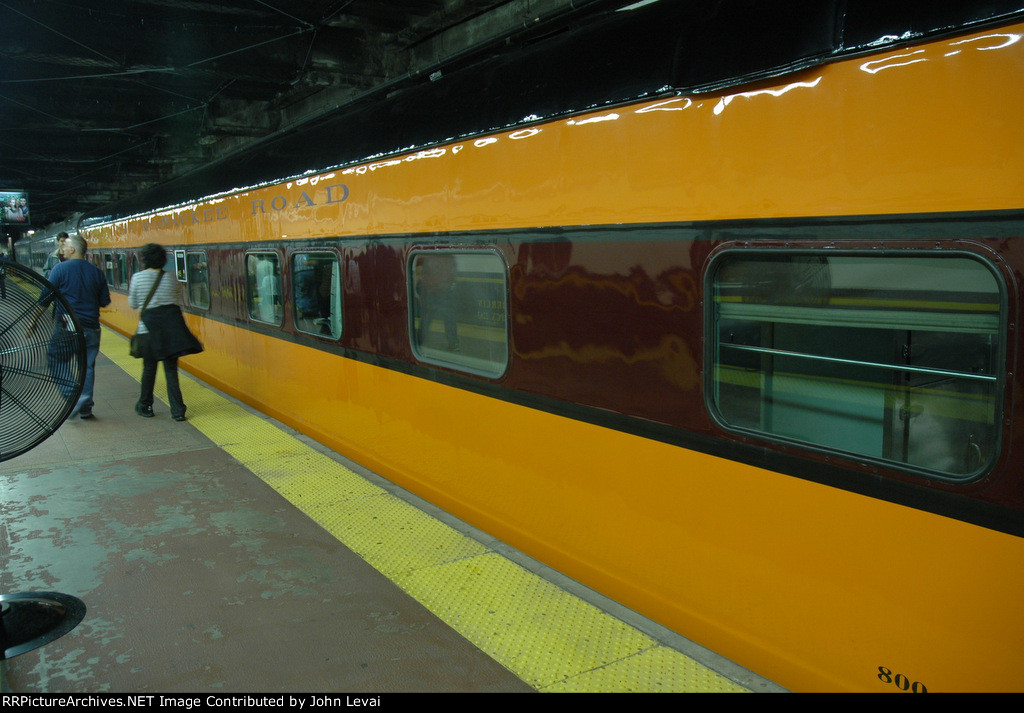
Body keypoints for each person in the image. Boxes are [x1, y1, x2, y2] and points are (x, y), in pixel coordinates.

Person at [128, 243, 200, 421]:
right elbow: (177, 299)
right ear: (163, 259)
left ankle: (145, 405)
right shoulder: (172, 278)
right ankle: (177, 411)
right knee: (171, 371)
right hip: (170, 333)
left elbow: (133, 304)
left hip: (148, 332)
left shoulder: (138, 278)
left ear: (144, 260)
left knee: (149, 369)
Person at [43, 234, 111, 419]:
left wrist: (33, 322)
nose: (62, 249)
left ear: (72, 249)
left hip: (68, 325)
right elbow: (105, 302)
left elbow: (44, 298)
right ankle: (86, 407)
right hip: (92, 327)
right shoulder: (97, 272)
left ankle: (74, 396)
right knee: (87, 366)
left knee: (56, 358)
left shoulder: (59, 269)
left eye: (64, 246)